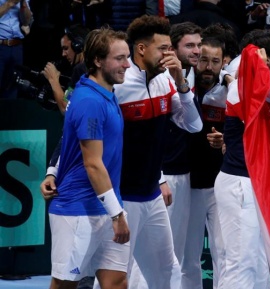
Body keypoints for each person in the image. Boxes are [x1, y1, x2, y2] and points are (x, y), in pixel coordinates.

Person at [110, 15, 202, 289]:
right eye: (163, 48)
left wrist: (181, 82)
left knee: (168, 274)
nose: (168, 55)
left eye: (170, 49)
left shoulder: (167, 81)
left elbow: (194, 125)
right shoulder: (118, 84)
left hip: (151, 196)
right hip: (121, 197)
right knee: (115, 277)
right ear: (141, 49)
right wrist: (54, 169)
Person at [40, 27, 131, 289]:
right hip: (77, 210)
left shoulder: (104, 93)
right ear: (97, 60)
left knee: (116, 282)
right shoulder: (90, 101)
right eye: (119, 58)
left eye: (127, 57)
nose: (127, 65)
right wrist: (117, 214)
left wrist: (52, 171)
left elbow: (69, 141)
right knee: (66, 285)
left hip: (105, 205)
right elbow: (92, 164)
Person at [214, 28, 270, 289]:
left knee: (257, 265)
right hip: (239, 184)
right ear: (261, 56)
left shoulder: (259, 85)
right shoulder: (241, 87)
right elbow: (258, 89)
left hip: (255, 184)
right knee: (240, 263)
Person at [181, 36, 228, 289]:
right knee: (189, 259)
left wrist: (225, 139)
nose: (209, 66)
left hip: (222, 185)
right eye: (203, 60)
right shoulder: (181, 87)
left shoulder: (230, 91)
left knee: (225, 255)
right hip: (190, 186)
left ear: (224, 63)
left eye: (215, 61)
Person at [161, 20, 202, 287]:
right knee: (163, 255)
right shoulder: (161, 78)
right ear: (173, 50)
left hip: (185, 175)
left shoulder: (196, 75)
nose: (197, 51)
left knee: (183, 254)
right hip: (164, 175)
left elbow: (195, 126)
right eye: (190, 45)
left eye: (199, 45)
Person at [42, 24, 89, 114]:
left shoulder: (80, 70)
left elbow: (66, 107)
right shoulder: (97, 65)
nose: (63, 54)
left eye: (66, 48)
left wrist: (53, 79)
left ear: (78, 46)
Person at [0, 0, 32, 98]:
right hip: (1, 46)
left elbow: (26, 21)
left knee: (14, 87)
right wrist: (9, 3)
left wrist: (23, 4)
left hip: (17, 47)